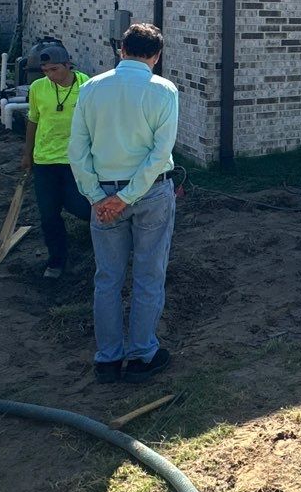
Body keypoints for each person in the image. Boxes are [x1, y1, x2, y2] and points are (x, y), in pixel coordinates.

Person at [70, 22, 181, 383]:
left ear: (122, 50)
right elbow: (159, 152)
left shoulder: (90, 88)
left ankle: (107, 359)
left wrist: (98, 197)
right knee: (149, 275)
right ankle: (141, 356)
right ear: (157, 55)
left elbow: (77, 150)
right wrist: (128, 196)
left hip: (102, 194)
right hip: (150, 194)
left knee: (107, 278)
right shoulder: (163, 91)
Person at [21, 40, 93, 279]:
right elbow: (33, 120)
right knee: (48, 214)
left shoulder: (87, 85)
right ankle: (57, 260)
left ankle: (102, 240)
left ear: (67, 65)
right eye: (45, 71)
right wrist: (27, 153)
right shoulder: (38, 88)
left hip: (77, 160)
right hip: (45, 160)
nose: (49, 75)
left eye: (54, 70)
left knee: (81, 206)